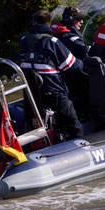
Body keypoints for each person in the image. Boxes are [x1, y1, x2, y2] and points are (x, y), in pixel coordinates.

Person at [20, 10, 83, 140]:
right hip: (53, 93)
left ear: (34, 22)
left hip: (32, 94)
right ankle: (77, 143)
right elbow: (72, 65)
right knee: (74, 124)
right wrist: (84, 63)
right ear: (48, 24)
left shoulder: (24, 41)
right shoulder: (53, 42)